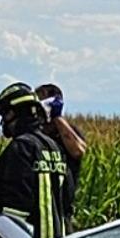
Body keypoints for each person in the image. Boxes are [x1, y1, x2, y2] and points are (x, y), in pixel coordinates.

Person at [0, 82, 71, 238]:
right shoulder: (54, 147)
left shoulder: (19, 149)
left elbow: (13, 212)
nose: (3, 121)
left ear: (14, 113)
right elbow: (67, 201)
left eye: (5, 114)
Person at [35, 83, 87, 227]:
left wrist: (56, 116)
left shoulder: (68, 132)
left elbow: (78, 151)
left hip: (63, 213)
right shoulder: (35, 135)